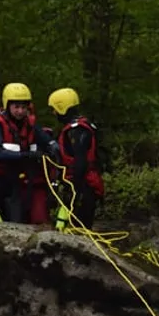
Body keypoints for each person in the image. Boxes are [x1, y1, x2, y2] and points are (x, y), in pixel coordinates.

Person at [0, 82, 59, 223]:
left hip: (12, 179)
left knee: (17, 223)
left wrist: (53, 148)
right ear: (7, 105)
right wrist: (27, 156)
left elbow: (47, 141)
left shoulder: (29, 124)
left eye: (24, 107)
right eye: (16, 107)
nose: (20, 111)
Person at [47, 87, 104, 230]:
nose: (54, 113)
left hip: (83, 184)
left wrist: (74, 189)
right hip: (81, 182)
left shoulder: (76, 131)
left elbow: (81, 162)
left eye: (55, 109)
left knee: (80, 226)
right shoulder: (83, 126)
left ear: (62, 108)